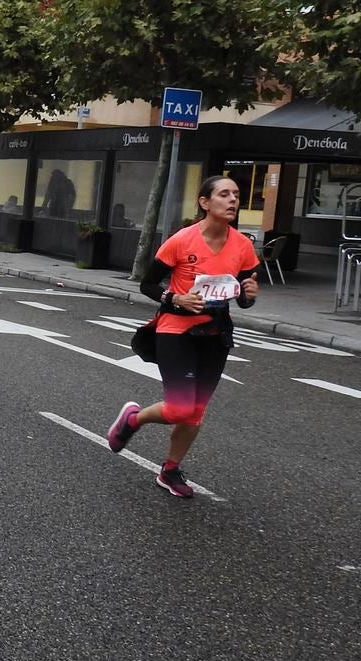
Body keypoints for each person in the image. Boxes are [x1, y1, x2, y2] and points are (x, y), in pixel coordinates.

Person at [106, 175, 260, 498]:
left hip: (215, 334)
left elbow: (243, 296)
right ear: (205, 203)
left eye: (236, 194)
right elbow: (147, 285)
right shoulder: (181, 241)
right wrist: (177, 299)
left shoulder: (243, 246)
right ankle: (132, 420)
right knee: (179, 407)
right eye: (223, 194)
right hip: (176, 330)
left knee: (196, 410)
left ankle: (170, 469)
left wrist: (249, 294)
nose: (232, 200)